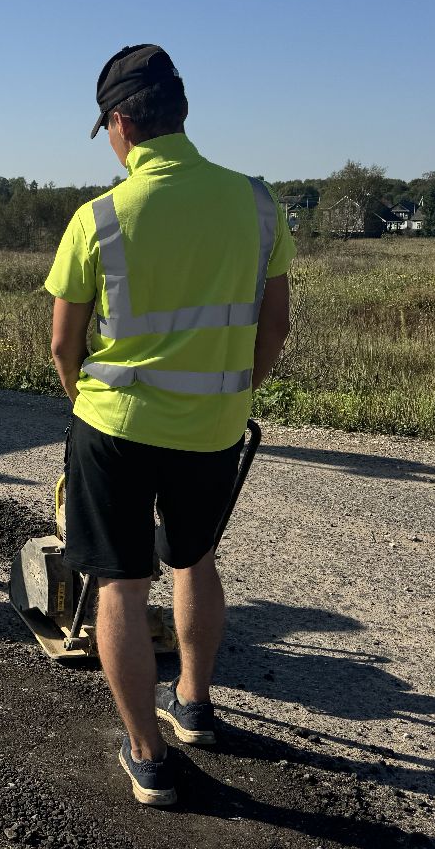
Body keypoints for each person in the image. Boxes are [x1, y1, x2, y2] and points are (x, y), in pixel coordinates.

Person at [45, 44, 293, 807]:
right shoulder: (256, 204)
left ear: (121, 122)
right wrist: (229, 392)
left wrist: (81, 398)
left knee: (120, 582)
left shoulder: (99, 218)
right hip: (213, 428)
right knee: (195, 558)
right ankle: (195, 703)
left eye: (109, 129)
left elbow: (63, 342)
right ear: (180, 112)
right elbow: (274, 326)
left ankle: (147, 755)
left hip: (114, 428)